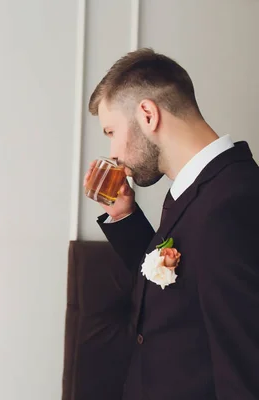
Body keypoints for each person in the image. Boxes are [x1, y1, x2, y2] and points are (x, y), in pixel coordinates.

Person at [85, 48, 259, 400]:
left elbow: (244, 370)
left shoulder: (231, 202)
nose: (112, 152)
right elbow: (177, 300)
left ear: (147, 115)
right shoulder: (197, 190)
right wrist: (124, 215)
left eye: (111, 131)